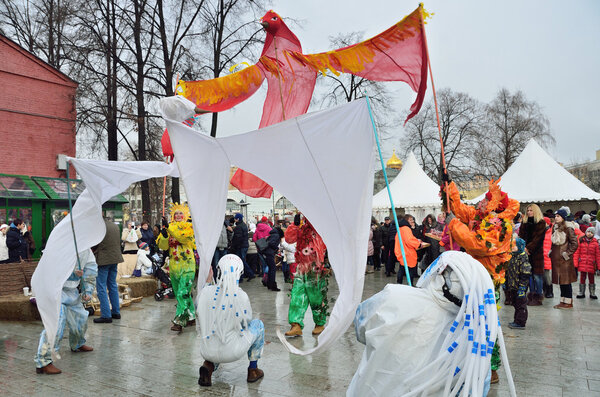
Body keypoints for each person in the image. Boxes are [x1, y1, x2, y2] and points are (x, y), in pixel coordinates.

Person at [443, 177, 520, 385]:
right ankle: (468, 360)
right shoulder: (482, 215)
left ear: (494, 206)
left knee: (486, 323)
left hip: (488, 282)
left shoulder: (500, 226)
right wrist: (450, 187)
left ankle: (491, 369)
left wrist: (453, 224)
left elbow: (479, 244)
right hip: (473, 276)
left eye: (486, 201)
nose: (481, 204)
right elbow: (461, 210)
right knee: (470, 320)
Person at [197, 255, 265, 386]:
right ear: (239, 273)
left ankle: (208, 365)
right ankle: (253, 370)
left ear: (219, 271)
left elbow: (198, 308)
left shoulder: (205, 292)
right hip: (233, 351)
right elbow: (246, 322)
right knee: (258, 324)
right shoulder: (241, 295)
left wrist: (207, 282)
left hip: (206, 350)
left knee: (215, 328)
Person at [35, 249, 97, 374]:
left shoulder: (87, 249)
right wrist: (71, 273)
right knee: (55, 325)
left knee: (81, 319)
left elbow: (90, 270)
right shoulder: (59, 245)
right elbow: (48, 270)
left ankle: (77, 343)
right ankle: (43, 361)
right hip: (56, 291)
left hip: (72, 292)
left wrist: (88, 290)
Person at [284, 214, 330, 337]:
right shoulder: (301, 227)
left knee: (316, 297)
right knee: (297, 295)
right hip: (301, 267)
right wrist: (295, 225)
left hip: (316, 268)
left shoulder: (321, 227)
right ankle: (296, 325)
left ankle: (320, 324)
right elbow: (289, 239)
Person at [157, 203, 197, 332]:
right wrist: (163, 236)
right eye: (176, 213)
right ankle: (191, 317)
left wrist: (169, 229)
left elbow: (184, 239)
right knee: (183, 293)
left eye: (181, 213)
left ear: (185, 215)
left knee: (182, 293)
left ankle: (179, 321)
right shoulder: (169, 228)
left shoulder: (189, 227)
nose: (178, 215)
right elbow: (163, 247)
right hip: (174, 267)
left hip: (188, 265)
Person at [93, 218, 124, 323]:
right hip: (115, 258)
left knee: (101, 287)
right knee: (112, 285)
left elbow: (94, 243)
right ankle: (116, 312)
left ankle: (106, 315)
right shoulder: (114, 226)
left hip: (103, 260)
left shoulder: (99, 227)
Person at [518, 204, 547, 306]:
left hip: (536, 253)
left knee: (537, 276)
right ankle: (531, 296)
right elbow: (520, 237)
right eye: (528, 210)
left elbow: (538, 239)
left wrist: (528, 248)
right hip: (526, 253)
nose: (529, 212)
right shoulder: (524, 223)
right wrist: (523, 248)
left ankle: (538, 296)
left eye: (531, 210)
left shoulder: (541, 223)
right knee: (529, 275)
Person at [549, 208, 578, 309]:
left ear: (563, 217)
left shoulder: (568, 228)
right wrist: (551, 251)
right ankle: (562, 301)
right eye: (555, 216)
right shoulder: (555, 227)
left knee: (566, 281)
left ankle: (568, 302)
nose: (556, 218)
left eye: (558, 216)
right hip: (557, 259)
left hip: (565, 260)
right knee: (561, 281)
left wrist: (567, 254)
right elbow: (553, 242)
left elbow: (574, 243)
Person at [505, 237, 531, 329]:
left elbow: (525, 275)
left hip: (520, 287)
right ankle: (516, 320)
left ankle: (521, 322)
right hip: (513, 286)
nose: (512, 247)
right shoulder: (513, 257)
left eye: (515, 246)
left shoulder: (523, 259)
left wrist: (522, 288)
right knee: (516, 304)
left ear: (520, 247)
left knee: (521, 305)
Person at [395, 215, 423, 285]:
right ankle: (410, 284)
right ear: (407, 220)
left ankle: (399, 283)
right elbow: (409, 240)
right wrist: (418, 244)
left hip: (402, 251)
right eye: (410, 220)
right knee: (410, 269)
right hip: (407, 252)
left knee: (402, 268)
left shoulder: (400, 228)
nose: (412, 221)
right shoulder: (406, 229)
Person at [574, 227, 600, 299]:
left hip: (592, 263)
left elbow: (598, 255)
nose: (589, 234)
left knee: (592, 278)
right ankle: (581, 292)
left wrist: (599, 266)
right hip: (582, 262)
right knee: (582, 277)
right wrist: (575, 263)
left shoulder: (595, 244)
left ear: (593, 234)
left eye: (591, 233)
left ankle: (592, 292)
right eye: (588, 232)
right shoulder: (581, 241)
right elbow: (577, 253)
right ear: (586, 232)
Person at [231, 213, 253, 281]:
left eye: (235, 218)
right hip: (244, 245)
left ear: (238, 219)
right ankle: (242, 276)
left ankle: (249, 274)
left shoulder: (239, 227)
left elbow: (238, 238)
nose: (234, 220)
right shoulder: (244, 225)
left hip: (240, 246)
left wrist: (233, 246)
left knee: (240, 261)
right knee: (242, 261)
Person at [542, 216, 554, 298]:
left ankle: (549, 291)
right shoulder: (540, 232)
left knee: (547, 275)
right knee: (542, 275)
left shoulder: (551, 232)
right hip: (540, 256)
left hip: (548, 256)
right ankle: (545, 290)